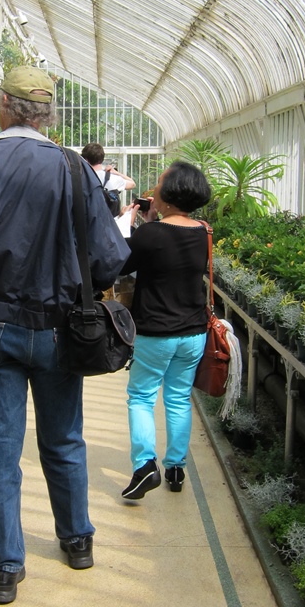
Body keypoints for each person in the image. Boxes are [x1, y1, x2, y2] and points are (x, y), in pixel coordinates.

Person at [0, 66, 130, 604]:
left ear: (5, 106)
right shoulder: (72, 167)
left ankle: (4, 570)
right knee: (64, 438)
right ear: (46, 115)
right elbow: (110, 256)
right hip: (61, 330)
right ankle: (77, 540)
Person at [118, 161, 212, 499]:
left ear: (169, 194)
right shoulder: (204, 230)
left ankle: (145, 466)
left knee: (142, 397)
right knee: (177, 398)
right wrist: (150, 224)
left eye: (158, 183)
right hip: (194, 333)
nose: (153, 189)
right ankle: (176, 468)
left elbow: (122, 264)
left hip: (156, 332)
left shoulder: (150, 234)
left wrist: (135, 227)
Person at [81, 142, 136, 214]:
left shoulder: (81, 179)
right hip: (110, 221)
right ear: (102, 159)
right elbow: (132, 184)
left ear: (86, 160)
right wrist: (116, 173)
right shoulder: (113, 178)